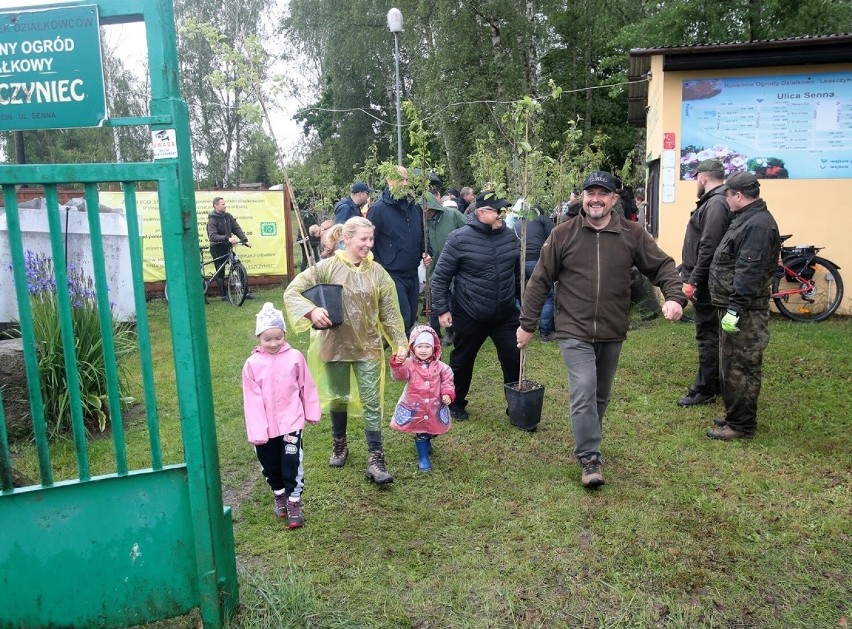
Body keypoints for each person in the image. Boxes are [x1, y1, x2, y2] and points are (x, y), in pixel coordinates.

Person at [517, 171, 686, 488]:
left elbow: (662, 266)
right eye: (589, 192)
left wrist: (674, 296)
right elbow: (539, 280)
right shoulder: (563, 234)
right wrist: (528, 324)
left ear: (613, 200)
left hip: (612, 329)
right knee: (584, 389)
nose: (595, 198)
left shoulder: (631, 233)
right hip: (573, 329)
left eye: (602, 193)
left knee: (600, 395)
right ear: (582, 197)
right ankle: (589, 457)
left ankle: (587, 438)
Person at [283, 216, 409, 484]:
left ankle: (376, 456)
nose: (368, 244)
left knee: (372, 401)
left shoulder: (377, 273)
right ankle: (339, 442)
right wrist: (311, 310)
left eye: (371, 239)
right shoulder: (326, 268)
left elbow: (389, 312)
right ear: (346, 239)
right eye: (363, 239)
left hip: (369, 346)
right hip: (334, 344)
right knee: (338, 396)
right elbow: (292, 291)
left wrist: (400, 342)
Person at [431, 190, 521, 422]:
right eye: (497, 210)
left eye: (504, 209)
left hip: (505, 314)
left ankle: (517, 407)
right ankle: (456, 403)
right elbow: (440, 277)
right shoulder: (459, 239)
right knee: (462, 361)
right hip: (470, 312)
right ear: (481, 212)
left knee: (513, 359)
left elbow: (517, 274)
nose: (503, 214)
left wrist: (523, 306)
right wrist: (442, 309)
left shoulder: (510, 236)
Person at [706, 171, 780, 441]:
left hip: (745, 311)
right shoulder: (747, 219)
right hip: (734, 306)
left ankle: (741, 425)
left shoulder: (757, 225)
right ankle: (735, 414)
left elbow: (749, 270)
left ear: (738, 195)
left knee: (742, 366)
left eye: (727, 194)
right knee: (730, 364)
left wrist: (735, 309)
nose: (726, 199)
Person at [242, 302, 320, 528]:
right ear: (259, 338)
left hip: (291, 423)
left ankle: (294, 502)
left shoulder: (295, 357)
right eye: (268, 339)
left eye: (278, 337)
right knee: (269, 464)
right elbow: (251, 400)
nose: (274, 343)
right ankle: (279, 494)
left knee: (292, 461)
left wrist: (311, 411)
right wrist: (258, 430)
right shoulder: (252, 365)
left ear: (284, 334)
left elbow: (306, 385)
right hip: (264, 427)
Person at [677, 159, 732, 407]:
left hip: (708, 281)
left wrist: (693, 280)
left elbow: (709, 247)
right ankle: (717, 381)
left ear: (702, 178)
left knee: (708, 334)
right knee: (712, 332)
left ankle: (706, 388)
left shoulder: (716, 203)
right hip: (708, 279)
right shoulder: (718, 201)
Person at [367, 166, 431, 332]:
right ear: (389, 181)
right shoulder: (379, 209)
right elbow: (368, 240)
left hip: (412, 271)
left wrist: (426, 250)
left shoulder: (414, 206)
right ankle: (397, 350)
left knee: (410, 317)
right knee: (403, 316)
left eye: (407, 179)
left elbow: (423, 232)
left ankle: (401, 350)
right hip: (391, 272)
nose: (405, 183)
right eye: (401, 179)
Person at [389, 325, 455, 472]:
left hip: (434, 406)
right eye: (420, 346)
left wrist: (447, 393)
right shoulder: (409, 365)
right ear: (413, 347)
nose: (423, 350)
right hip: (416, 406)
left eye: (427, 346)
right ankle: (423, 458)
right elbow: (399, 376)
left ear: (434, 348)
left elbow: (447, 381)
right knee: (421, 431)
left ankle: (427, 441)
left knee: (433, 429)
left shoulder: (441, 367)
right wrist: (397, 364)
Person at [426, 194, 467, 344]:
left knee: (453, 298)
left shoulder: (453, 215)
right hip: (433, 264)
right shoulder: (422, 223)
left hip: (455, 263)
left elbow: (469, 231)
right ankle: (434, 330)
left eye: (429, 209)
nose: (427, 213)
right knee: (434, 297)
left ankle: (451, 330)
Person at [513, 205, 555, 342]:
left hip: (519, 261)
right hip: (537, 260)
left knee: (522, 295)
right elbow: (554, 238)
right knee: (548, 296)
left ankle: (522, 326)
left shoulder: (518, 222)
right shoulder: (543, 220)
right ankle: (545, 332)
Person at [206, 196, 253, 300]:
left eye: (225, 204)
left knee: (238, 266)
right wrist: (227, 238)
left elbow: (236, 228)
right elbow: (212, 236)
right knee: (220, 272)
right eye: (222, 204)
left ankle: (245, 292)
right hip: (217, 248)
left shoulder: (228, 216)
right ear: (216, 206)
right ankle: (224, 295)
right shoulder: (212, 220)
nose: (225, 206)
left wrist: (245, 240)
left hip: (227, 248)